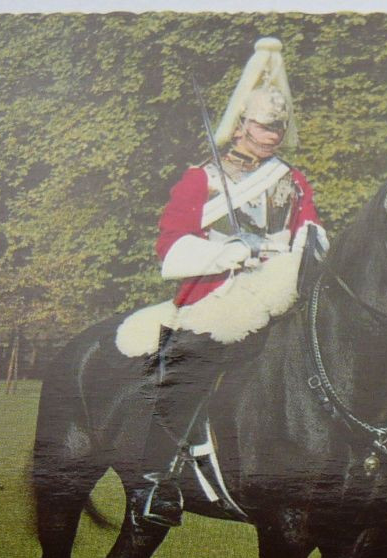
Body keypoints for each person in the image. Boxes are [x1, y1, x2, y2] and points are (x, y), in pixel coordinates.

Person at [134, 37, 326, 527]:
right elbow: (170, 249)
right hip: (217, 295)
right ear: (241, 124)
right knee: (189, 363)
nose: (273, 134)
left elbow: (311, 230)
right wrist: (228, 253)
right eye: (264, 125)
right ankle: (159, 479)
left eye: (279, 126)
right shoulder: (201, 179)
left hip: (283, 290)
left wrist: (304, 249)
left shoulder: (292, 178)